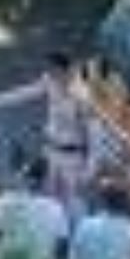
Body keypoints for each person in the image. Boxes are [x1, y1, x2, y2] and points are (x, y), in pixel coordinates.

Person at [0, 155, 70, 259]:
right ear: (45, 179)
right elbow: (62, 252)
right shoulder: (56, 209)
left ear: (21, 176)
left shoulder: (4, 203)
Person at [42, 54, 90, 216]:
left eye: (52, 70)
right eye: (49, 70)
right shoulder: (50, 82)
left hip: (71, 154)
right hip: (52, 149)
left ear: (64, 70)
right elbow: (23, 92)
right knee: (50, 195)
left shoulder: (80, 94)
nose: (49, 74)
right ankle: (54, 230)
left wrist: (88, 161)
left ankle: (77, 233)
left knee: (72, 198)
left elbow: (88, 128)